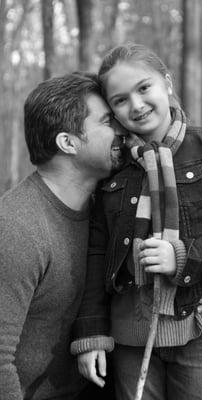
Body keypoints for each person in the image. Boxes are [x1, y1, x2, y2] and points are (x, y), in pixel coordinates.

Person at [71, 43, 202, 400]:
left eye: (144, 88)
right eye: (120, 100)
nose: (137, 105)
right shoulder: (112, 171)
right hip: (130, 337)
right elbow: (97, 254)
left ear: (167, 83)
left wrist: (183, 256)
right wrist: (90, 332)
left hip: (201, 330)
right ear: (112, 110)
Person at [0, 73, 120, 399]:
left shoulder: (111, 210)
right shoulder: (16, 227)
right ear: (68, 142)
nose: (121, 129)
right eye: (107, 121)